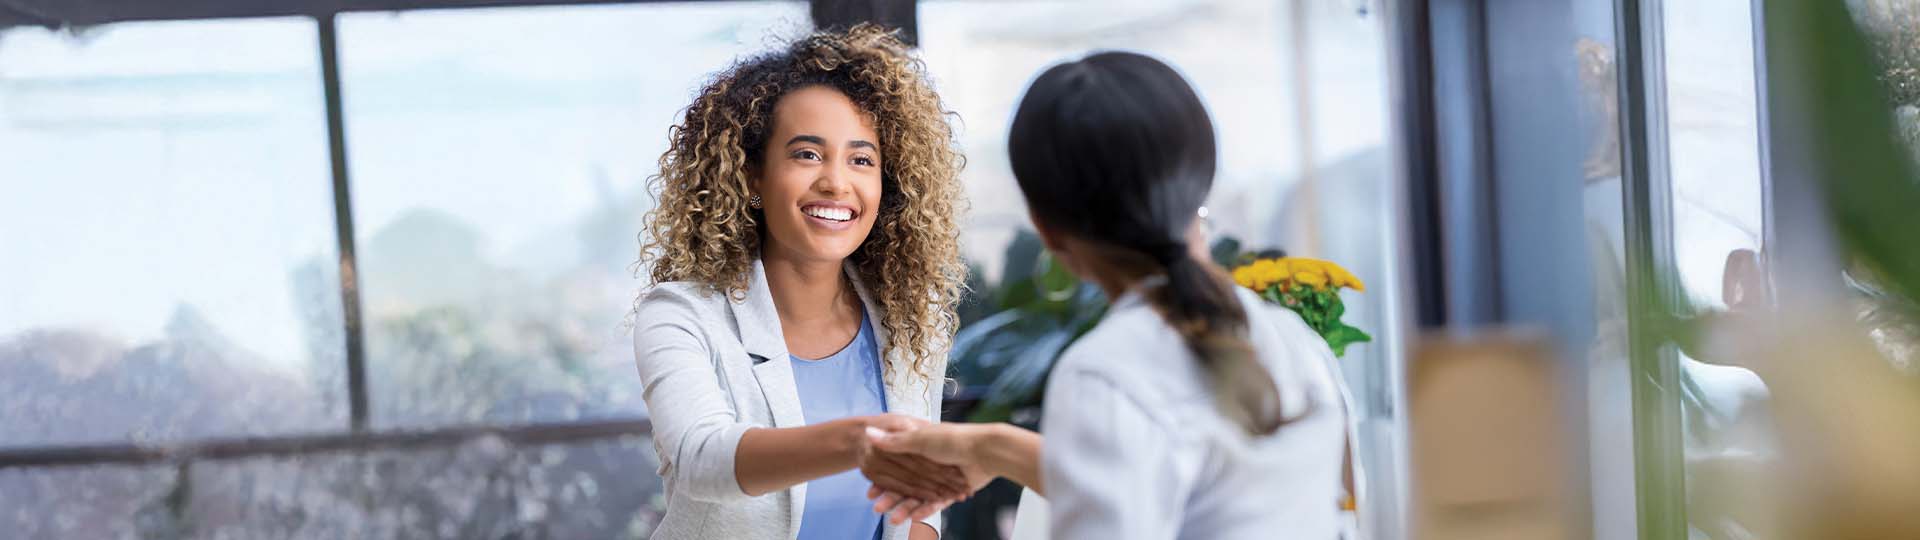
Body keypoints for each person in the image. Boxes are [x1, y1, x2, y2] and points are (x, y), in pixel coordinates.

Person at [865, 51, 1355, 539]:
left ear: (1046, 230)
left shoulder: (1106, 373)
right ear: (1200, 183)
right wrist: (994, 449)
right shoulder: (1295, 343)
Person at [630, 24, 969, 540]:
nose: (836, 182)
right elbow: (704, 460)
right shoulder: (680, 315)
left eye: (861, 160)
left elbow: (919, 508)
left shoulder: (909, 314)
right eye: (807, 154)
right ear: (752, 177)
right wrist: (861, 442)